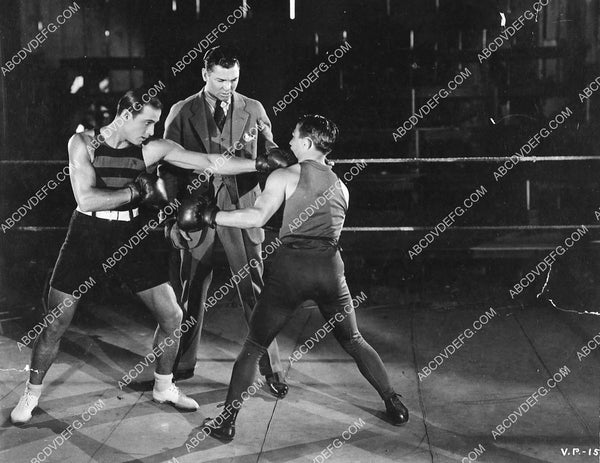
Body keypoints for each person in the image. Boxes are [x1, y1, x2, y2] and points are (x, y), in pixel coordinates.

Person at [10, 89, 292, 425]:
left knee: (173, 316)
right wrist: (134, 191)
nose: (150, 131)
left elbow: (206, 161)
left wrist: (257, 164)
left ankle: (164, 385)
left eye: (154, 125)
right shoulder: (83, 143)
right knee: (56, 321)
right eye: (146, 123)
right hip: (88, 235)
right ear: (126, 114)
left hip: (132, 234)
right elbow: (86, 199)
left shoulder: (150, 149)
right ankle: (31, 393)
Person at [178, 115, 409, 441]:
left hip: (291, 271)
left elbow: (256, 217)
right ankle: (393, 402)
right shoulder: (343, 186)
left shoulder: (286, 176)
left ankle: (227, 422)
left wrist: (213, 215)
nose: (288, 143)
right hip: (330, 270)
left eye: (294, 138)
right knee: (353, 339)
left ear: (307, 143)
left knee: (253, 346)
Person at [162, 45, 287, 397]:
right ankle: (182, 363)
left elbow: (269, 153)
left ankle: (272, 368)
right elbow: (168, 163)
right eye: (220, 80)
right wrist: (174, 214)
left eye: (233, 80)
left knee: (256, 292)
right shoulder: (181, 111)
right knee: (189, 291)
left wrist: (275, 159)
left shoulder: (254, 108)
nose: (227, 87)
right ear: (204, 74)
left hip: (241, 211)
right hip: (197, 212)